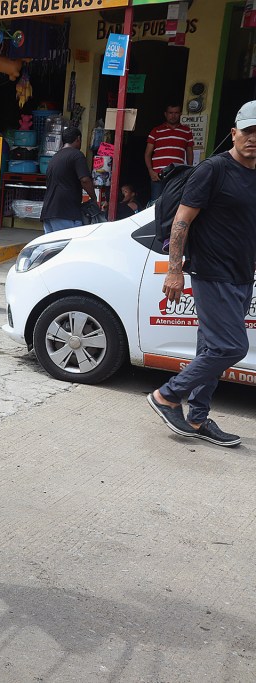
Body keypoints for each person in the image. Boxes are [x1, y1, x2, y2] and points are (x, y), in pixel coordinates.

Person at [146, 101, 256, 448]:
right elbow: (182, 222)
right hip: (212, 272)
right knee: (231, 346)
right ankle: (166, 395)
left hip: (242, 275)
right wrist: (174, 270)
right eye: (249, 131)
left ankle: (196, 418)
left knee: (209, 348)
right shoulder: (213, 170)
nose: (254, 138)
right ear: (234, 133)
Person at [40, 127, 96, 233]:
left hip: (48, 212)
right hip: (66, 213)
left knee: (53, 247)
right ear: (78, 139)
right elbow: (85, 180)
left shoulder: (54, 157)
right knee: (69, 246)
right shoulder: (77, 155)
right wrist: (93, 197)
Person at [146, 103, 194, 201]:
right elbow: (147, 154)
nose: (173, 115)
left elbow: (190, 153)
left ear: (180, 114)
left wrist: (190, 171)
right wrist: (151, 171)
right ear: (165, 114)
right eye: (170, 113)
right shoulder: (156, 131)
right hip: (158, 175)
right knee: (155, 205)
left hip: (177, 175)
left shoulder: (187, 131)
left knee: (173, 204)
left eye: (176, 113)